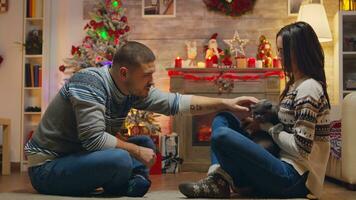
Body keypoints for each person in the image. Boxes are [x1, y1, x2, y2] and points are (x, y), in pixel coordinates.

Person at [24, 41, 257, 197]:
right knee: (122, 158)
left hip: (78, 156)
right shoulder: (89, 82)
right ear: (124, 73)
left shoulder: (130, 90)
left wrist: (226, 103)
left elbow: (177, 103)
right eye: (147, 75)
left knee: (145, 143)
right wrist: (134, 153)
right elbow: (93, 140)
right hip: (48, 167)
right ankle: (123, 181)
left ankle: (122, 181)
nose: (152, 81)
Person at [179, 21, 331, 199]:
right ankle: (217, 178)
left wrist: (266, 128)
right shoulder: (295, 85)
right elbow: (286, 125)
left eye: (282, 51)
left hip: (295, 178)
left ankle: (220, 182)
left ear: (297, 52)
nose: (279, 56)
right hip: (280, 163)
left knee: (222, 135)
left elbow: (301, 149)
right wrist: (259, 119)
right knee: (224, 118)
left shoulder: (309, 89)